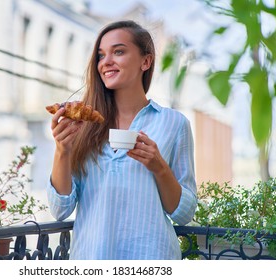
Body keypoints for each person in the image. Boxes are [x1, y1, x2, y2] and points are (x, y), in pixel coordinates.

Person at [47, 20, 197, 260]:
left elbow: (184, 213)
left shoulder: (174, 123)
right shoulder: (82, 125)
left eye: (118, 51)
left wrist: (159, 167)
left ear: (145, 61)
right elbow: (60, 209)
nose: (106, 61)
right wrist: (62, 151)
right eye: (101, 55)